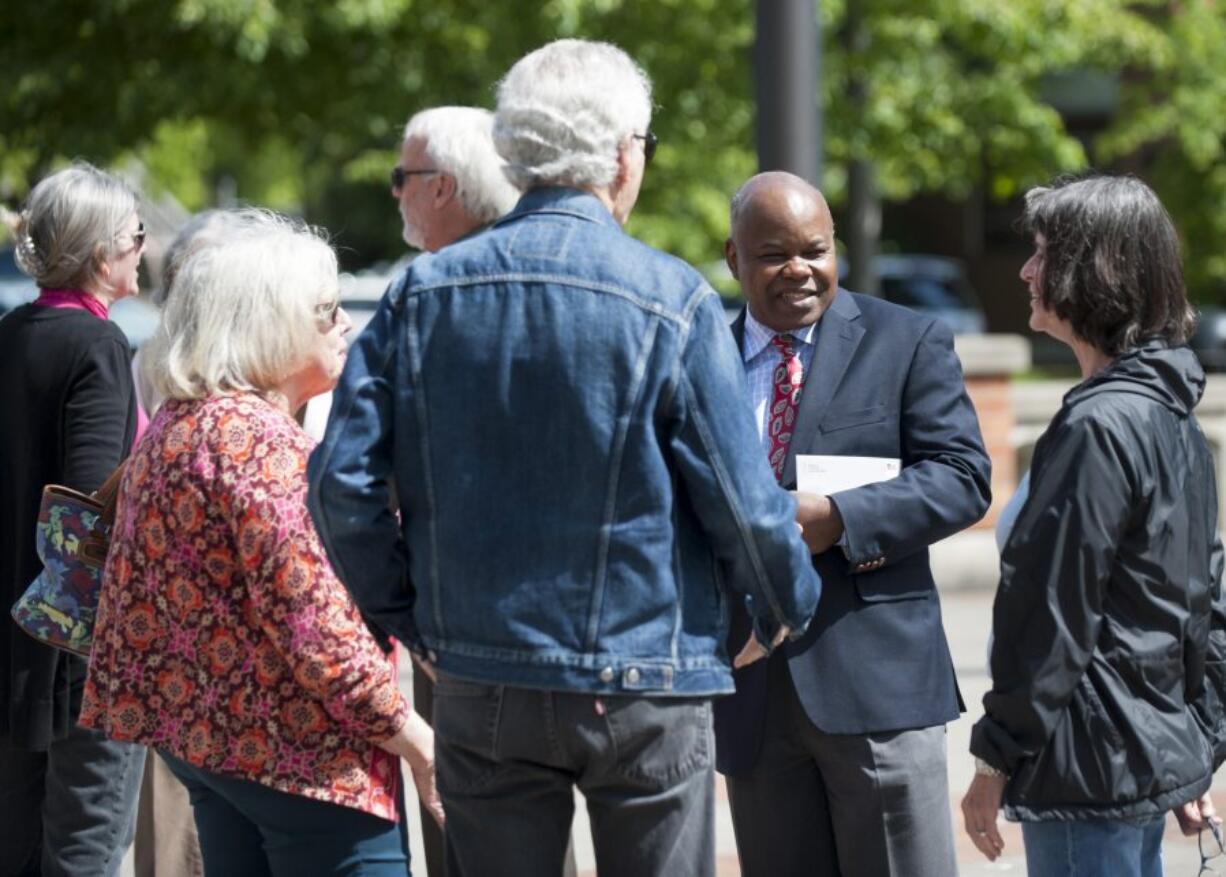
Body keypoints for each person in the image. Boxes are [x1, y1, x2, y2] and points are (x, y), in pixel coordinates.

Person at [308, 39, 821, 877]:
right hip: (646, 671)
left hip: (482, 669)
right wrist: (782, 607)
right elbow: (746, 503)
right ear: (623, 155)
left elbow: (340, 484)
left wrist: (413, 617)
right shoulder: (673, 298)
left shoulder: (422, 293)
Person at [78, 209, 443, 876]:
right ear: (267, 323)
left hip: (217, 750)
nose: (346, 324)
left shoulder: (179, 423)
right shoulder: (260, 446)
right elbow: (320, 636)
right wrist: (419, 741)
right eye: (325, 310)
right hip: (304, 763)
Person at [713, 171, 992, 877]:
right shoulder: (697, 353)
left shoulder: (905, 340)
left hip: (877, 686)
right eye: (775, 252)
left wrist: (839, 518)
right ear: (733, 258)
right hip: (750, 691)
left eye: (816, 248)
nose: (800, 269)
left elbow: (962, 476)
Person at [962, 174, 1226, 876]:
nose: (1025, 268)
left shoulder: (1099, 424)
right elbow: (1201, 603)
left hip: (1087, 769)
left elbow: (1049, 614)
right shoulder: (1168, 413)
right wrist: (1189, 749)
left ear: (1092, 271)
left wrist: (994, 754)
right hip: (1129, 763)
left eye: (1042, 252)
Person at [387, 105, 526, 877]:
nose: (395, 195)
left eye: (400, 179)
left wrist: (400, 611)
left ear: (441, 187)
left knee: (476, 835)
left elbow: (358, 477)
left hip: (461, 627)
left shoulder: (424, 299)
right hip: (555, 624)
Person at [0, 162, 147, 876]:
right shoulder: (98, 345)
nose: (144, 249)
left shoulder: (12, 331)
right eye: (137, 235)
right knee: (85, 847)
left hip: (12, 635)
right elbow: (89, 507)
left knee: (18, 845)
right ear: (101, 254)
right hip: (78, 651)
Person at [127, 209, 248, 877]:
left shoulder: (279, 359)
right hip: (174, 627)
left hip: (260, 633)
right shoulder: (153, 363)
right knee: (173, 820)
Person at [393, 106, 520, 252]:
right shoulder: (527, 253)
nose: (395, 192)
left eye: (399, 178)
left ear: (441, 188)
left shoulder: (431, 273)